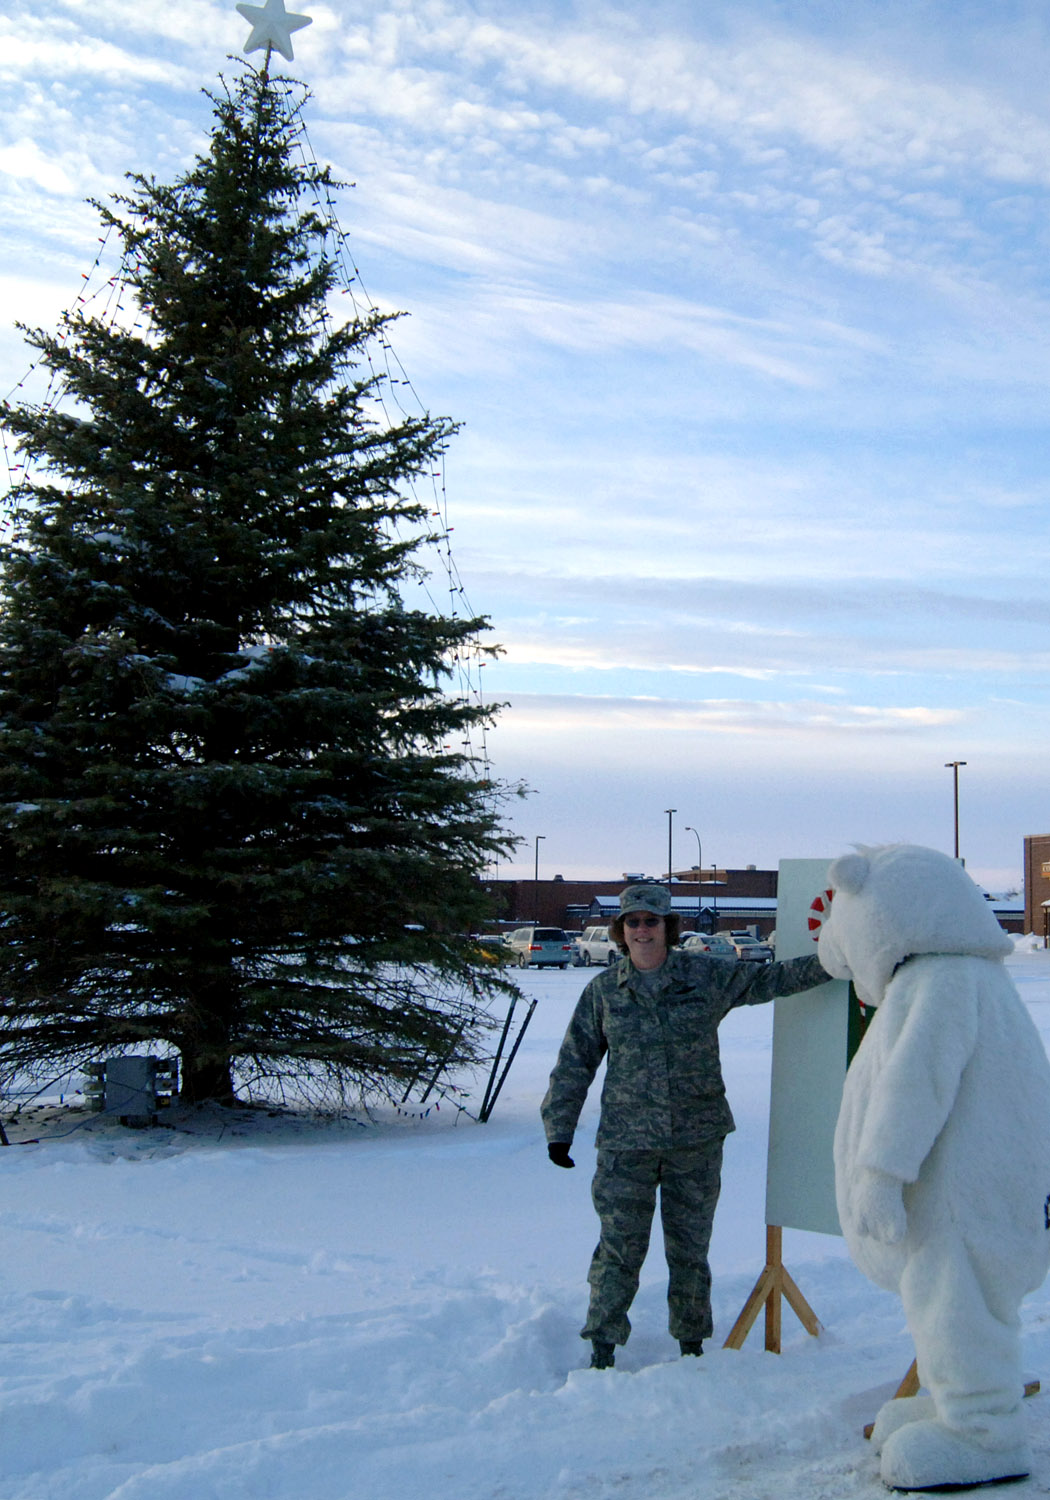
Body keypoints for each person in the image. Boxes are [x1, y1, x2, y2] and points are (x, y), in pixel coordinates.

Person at [542, 882, 829, 1370]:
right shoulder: (605, 991)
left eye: (651, 921)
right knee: (618, 1249)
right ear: (620, 930)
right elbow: (575, 1061)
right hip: (626, 1145)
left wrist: (839, 960)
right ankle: (603, 1345)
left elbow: (772, 980)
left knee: (690, 1251)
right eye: (633, 922)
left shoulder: (705, 976)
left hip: (694, 1140)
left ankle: (692, 1344)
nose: (642, 930)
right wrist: (559, 1128)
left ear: (668, 928)